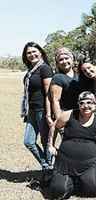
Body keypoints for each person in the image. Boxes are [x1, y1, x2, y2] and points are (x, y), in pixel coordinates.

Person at [47, 91, 96, 199]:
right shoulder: (69, 115)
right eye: (82, 103)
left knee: (95, 189)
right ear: (78, 104)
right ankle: (68, 180)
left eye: (89, 102)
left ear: (95, 104)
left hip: (88, 164)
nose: (86, 106)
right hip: (65, 163)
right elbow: (55, 126)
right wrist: (50, 145)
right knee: (58, 191)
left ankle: (78, 181)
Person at [21, 42, 53, 170]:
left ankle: (49, 170)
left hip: (42, 109)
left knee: (46, 142)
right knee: (28, 141)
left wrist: (49, 114)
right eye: (29, 52)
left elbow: (48, 93)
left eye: (34, 51)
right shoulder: (31, 70)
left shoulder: (44, 68)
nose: (32, 54)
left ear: (40, 52)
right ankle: (47, 166)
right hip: (32, 110)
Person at [50, 47, 80, 120]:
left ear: (72, 60)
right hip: (67, 116)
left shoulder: (79, 75)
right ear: (57, 63)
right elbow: (55, 101)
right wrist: (59, 120)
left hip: (81, 114)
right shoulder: (57, 78)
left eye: (67, 58)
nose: (64, 61)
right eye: (61, 60)